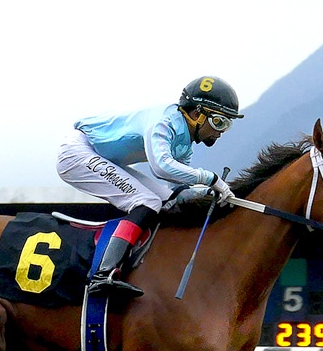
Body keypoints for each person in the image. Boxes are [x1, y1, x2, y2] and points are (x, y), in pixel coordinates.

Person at [57, 76, 244, 298]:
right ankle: (102, 274)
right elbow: (162, 167)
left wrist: (208, 193)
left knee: (166, 198)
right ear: (197, 114)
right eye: (219, 122)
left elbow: (178, 189)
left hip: (103, 157)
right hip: (78, 152)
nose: (222, 131)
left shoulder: (184, 145)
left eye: (228, 125)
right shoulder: (164, 122)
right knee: (147, 201)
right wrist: (211, 179)